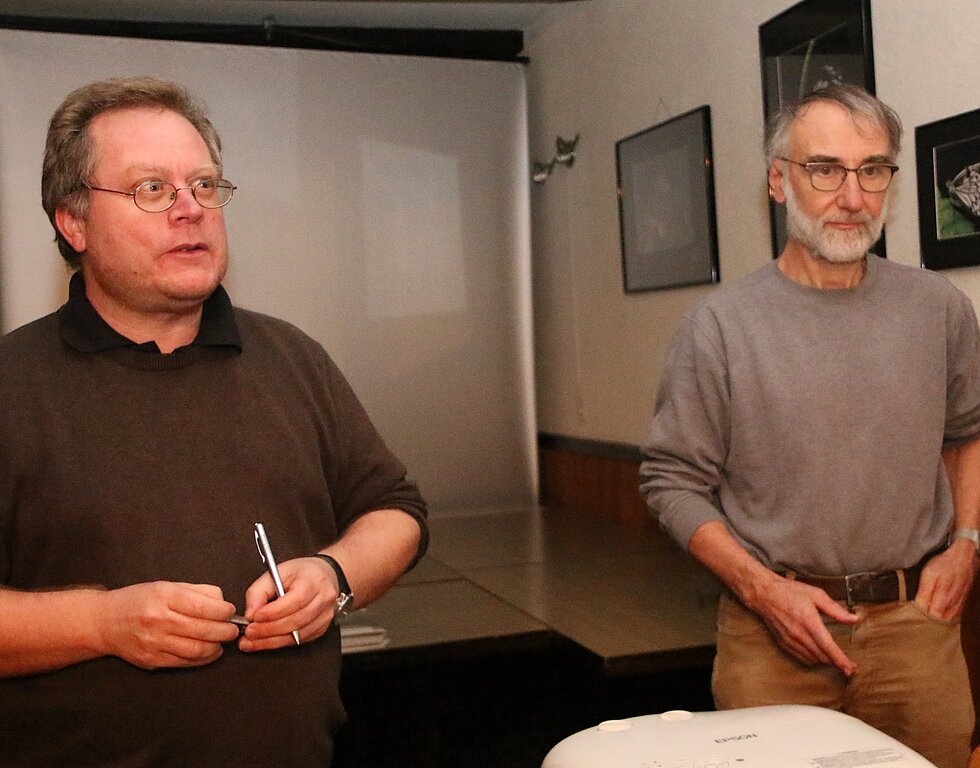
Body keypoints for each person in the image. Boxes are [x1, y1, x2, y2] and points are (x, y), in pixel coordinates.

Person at [0, 77, 428, 767]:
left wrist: (333, 574)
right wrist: (103, 625)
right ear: (72, 222)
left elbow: (396, 510)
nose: (190, 211)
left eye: (204, 186)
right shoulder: (11, 384)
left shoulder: (293, 357)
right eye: (152, 190)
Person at [640, 84, 980, 768]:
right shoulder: (721, 326)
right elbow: (669, 483)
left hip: (918, 629)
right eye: (824, 169)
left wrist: (967, 543)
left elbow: (968, 432)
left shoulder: (939, 309)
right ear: (777, 180)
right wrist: (762, 589)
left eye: (873, 169)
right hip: (772, 637)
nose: (852, 197)